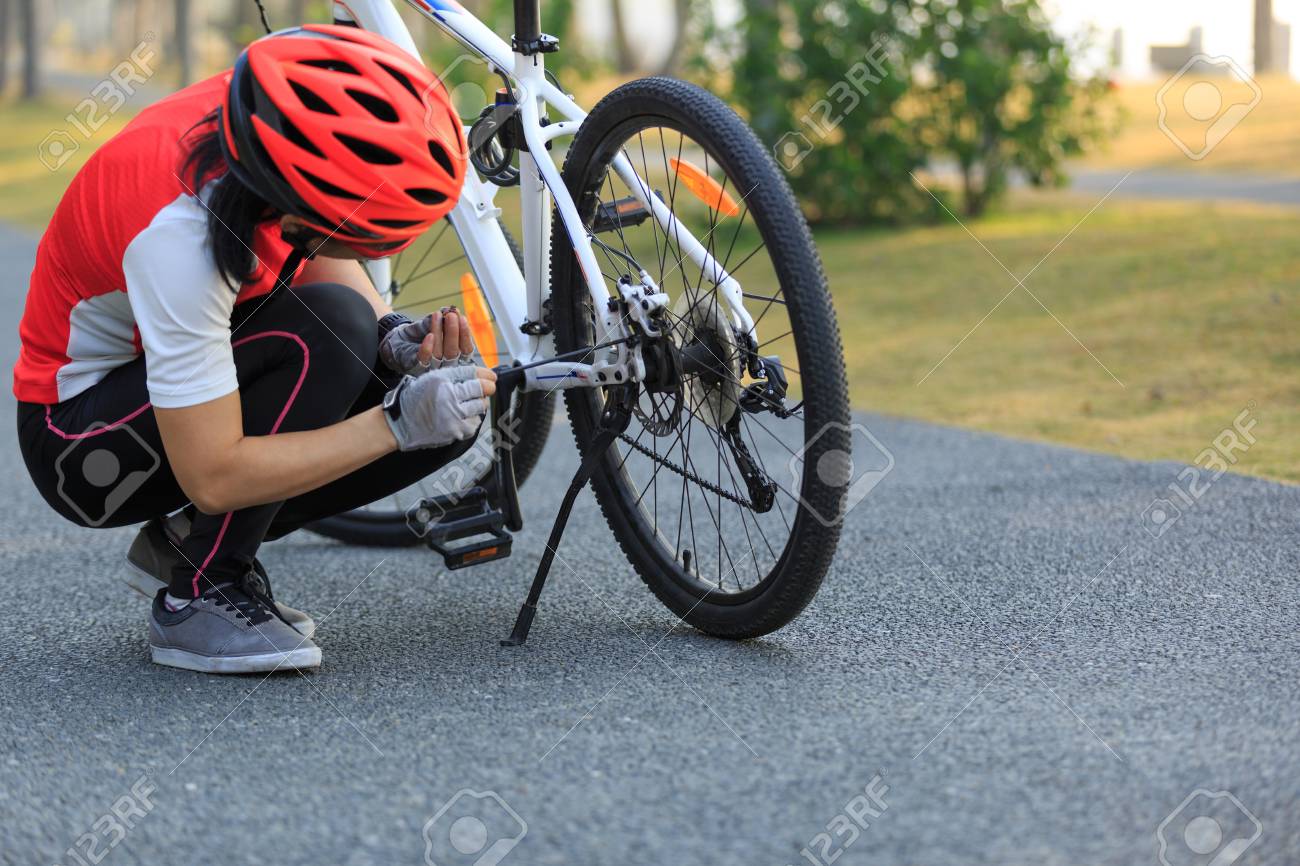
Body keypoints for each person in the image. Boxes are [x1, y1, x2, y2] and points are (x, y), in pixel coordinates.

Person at [12, 24, 497, 674]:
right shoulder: (179, 240)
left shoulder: (274, 116)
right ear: (297, 220)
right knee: (328, 338)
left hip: (154, 388)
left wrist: (392, 339)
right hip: (81, 447)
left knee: (439, 406)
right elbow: (213, 475)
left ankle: (188, 544)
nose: (359, 259)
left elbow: (313, 254)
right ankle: (201, 595)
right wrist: (395, 423)